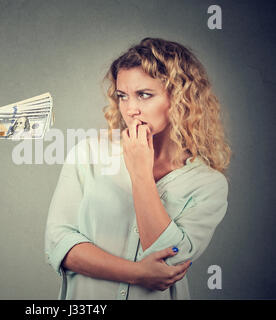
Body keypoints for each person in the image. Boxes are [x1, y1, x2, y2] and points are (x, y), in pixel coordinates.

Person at [45, 38, 231, 299]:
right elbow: (58, 243)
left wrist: (140, 174)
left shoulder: (208, 184)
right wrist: (136, 273)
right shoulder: (88, 153)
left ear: (180, 99)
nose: (130, 110)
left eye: (144, 95)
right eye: (123, 96)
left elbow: (170, 260)